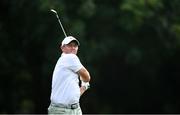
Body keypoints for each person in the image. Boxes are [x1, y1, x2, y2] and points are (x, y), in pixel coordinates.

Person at [48, 36, 91, 115]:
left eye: (75, 46)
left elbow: (74, 96)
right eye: (69, 45)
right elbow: (87, 77)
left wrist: (84, 87)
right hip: (62, 111)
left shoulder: (64, 60)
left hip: (75, 109)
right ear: (62, 48)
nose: (73, 48)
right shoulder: (70, 57)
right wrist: (84, 80)